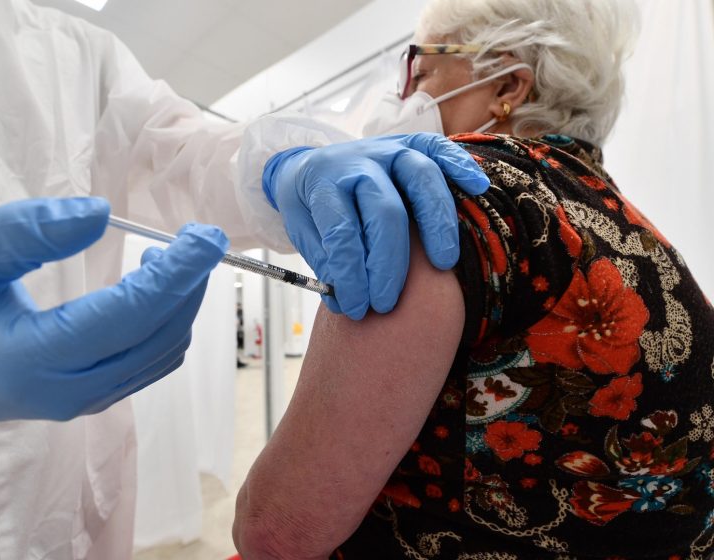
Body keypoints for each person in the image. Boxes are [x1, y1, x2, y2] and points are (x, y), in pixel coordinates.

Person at [0, 1, 491, 558]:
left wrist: (277, 165)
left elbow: (182, 152)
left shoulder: (74, 50)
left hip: (61, 503)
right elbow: (278, 532)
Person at [232, 0, 714, 558]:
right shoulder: (645, 244)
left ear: (506, 85)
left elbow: (277, 530)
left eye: (421, 70)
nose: (404, 94)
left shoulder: (443, 198)